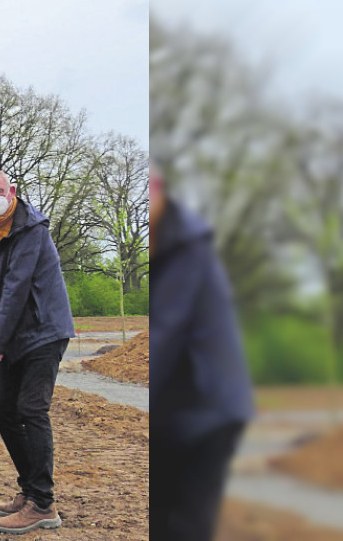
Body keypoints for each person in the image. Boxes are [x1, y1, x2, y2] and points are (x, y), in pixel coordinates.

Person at [150, 172, 254, 541]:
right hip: (182, 407)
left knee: (185, 523)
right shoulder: (171, 241)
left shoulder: (185, 248)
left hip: (208, 410)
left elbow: (165, 335)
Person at [0, 169, 75, 534]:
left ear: (12, 191)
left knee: (31, 410)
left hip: (43, 331)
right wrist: (0, 334)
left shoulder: (31, 230)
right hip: (17, 333)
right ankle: (30, 491)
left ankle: (43, 504)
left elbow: (16, 289)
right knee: (2, 410)